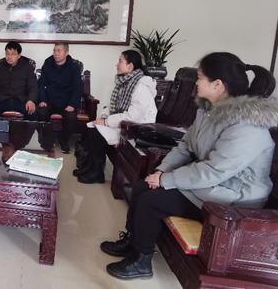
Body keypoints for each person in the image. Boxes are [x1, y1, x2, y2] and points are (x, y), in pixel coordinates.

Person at [101, 52, 278, 280]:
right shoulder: (209, 112)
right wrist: (162, 171)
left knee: (151, 200)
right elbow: (186, 146)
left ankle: (141, 261)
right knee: (142, 187)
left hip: (234, 198)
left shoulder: (246, 126)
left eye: (200, 78)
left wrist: (166, 180)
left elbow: (215, 170)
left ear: (217, 84)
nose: (196, 82)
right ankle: (132, 241)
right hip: (212, 185)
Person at [76, 50, 157, 184]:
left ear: (130, 66)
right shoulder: (124, 82)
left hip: (136, 128)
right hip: (122, 122)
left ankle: (97, 172)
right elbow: (111, 106)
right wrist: (102, 118)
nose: (117, 65)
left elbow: (134, 116)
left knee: (96, 134)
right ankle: (90, 166)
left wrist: (106, 122)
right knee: (89, 129)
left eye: (120, 61)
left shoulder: (141, 85)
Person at [38, 42, 83, 153]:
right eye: (54, 50)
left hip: (67, 103)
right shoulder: (48, 64)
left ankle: (64, 141)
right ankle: (48, 140)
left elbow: (78, 88)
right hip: (50, 101)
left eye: (59, 51)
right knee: (41, 113)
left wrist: (72, 104)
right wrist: (42, 100)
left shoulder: (74, 67)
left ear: (66, 53)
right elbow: (41, 83)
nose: (56, 53)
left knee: (71, 118)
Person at [0, 41, 38, 120]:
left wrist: (31, 100)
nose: (9, 57)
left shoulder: (27, 67)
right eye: (7, 53)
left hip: (21, 100)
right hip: (2, 100)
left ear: (19, 55)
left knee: (32, 111)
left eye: (13, 54)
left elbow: (33, 86)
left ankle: (24, 128)